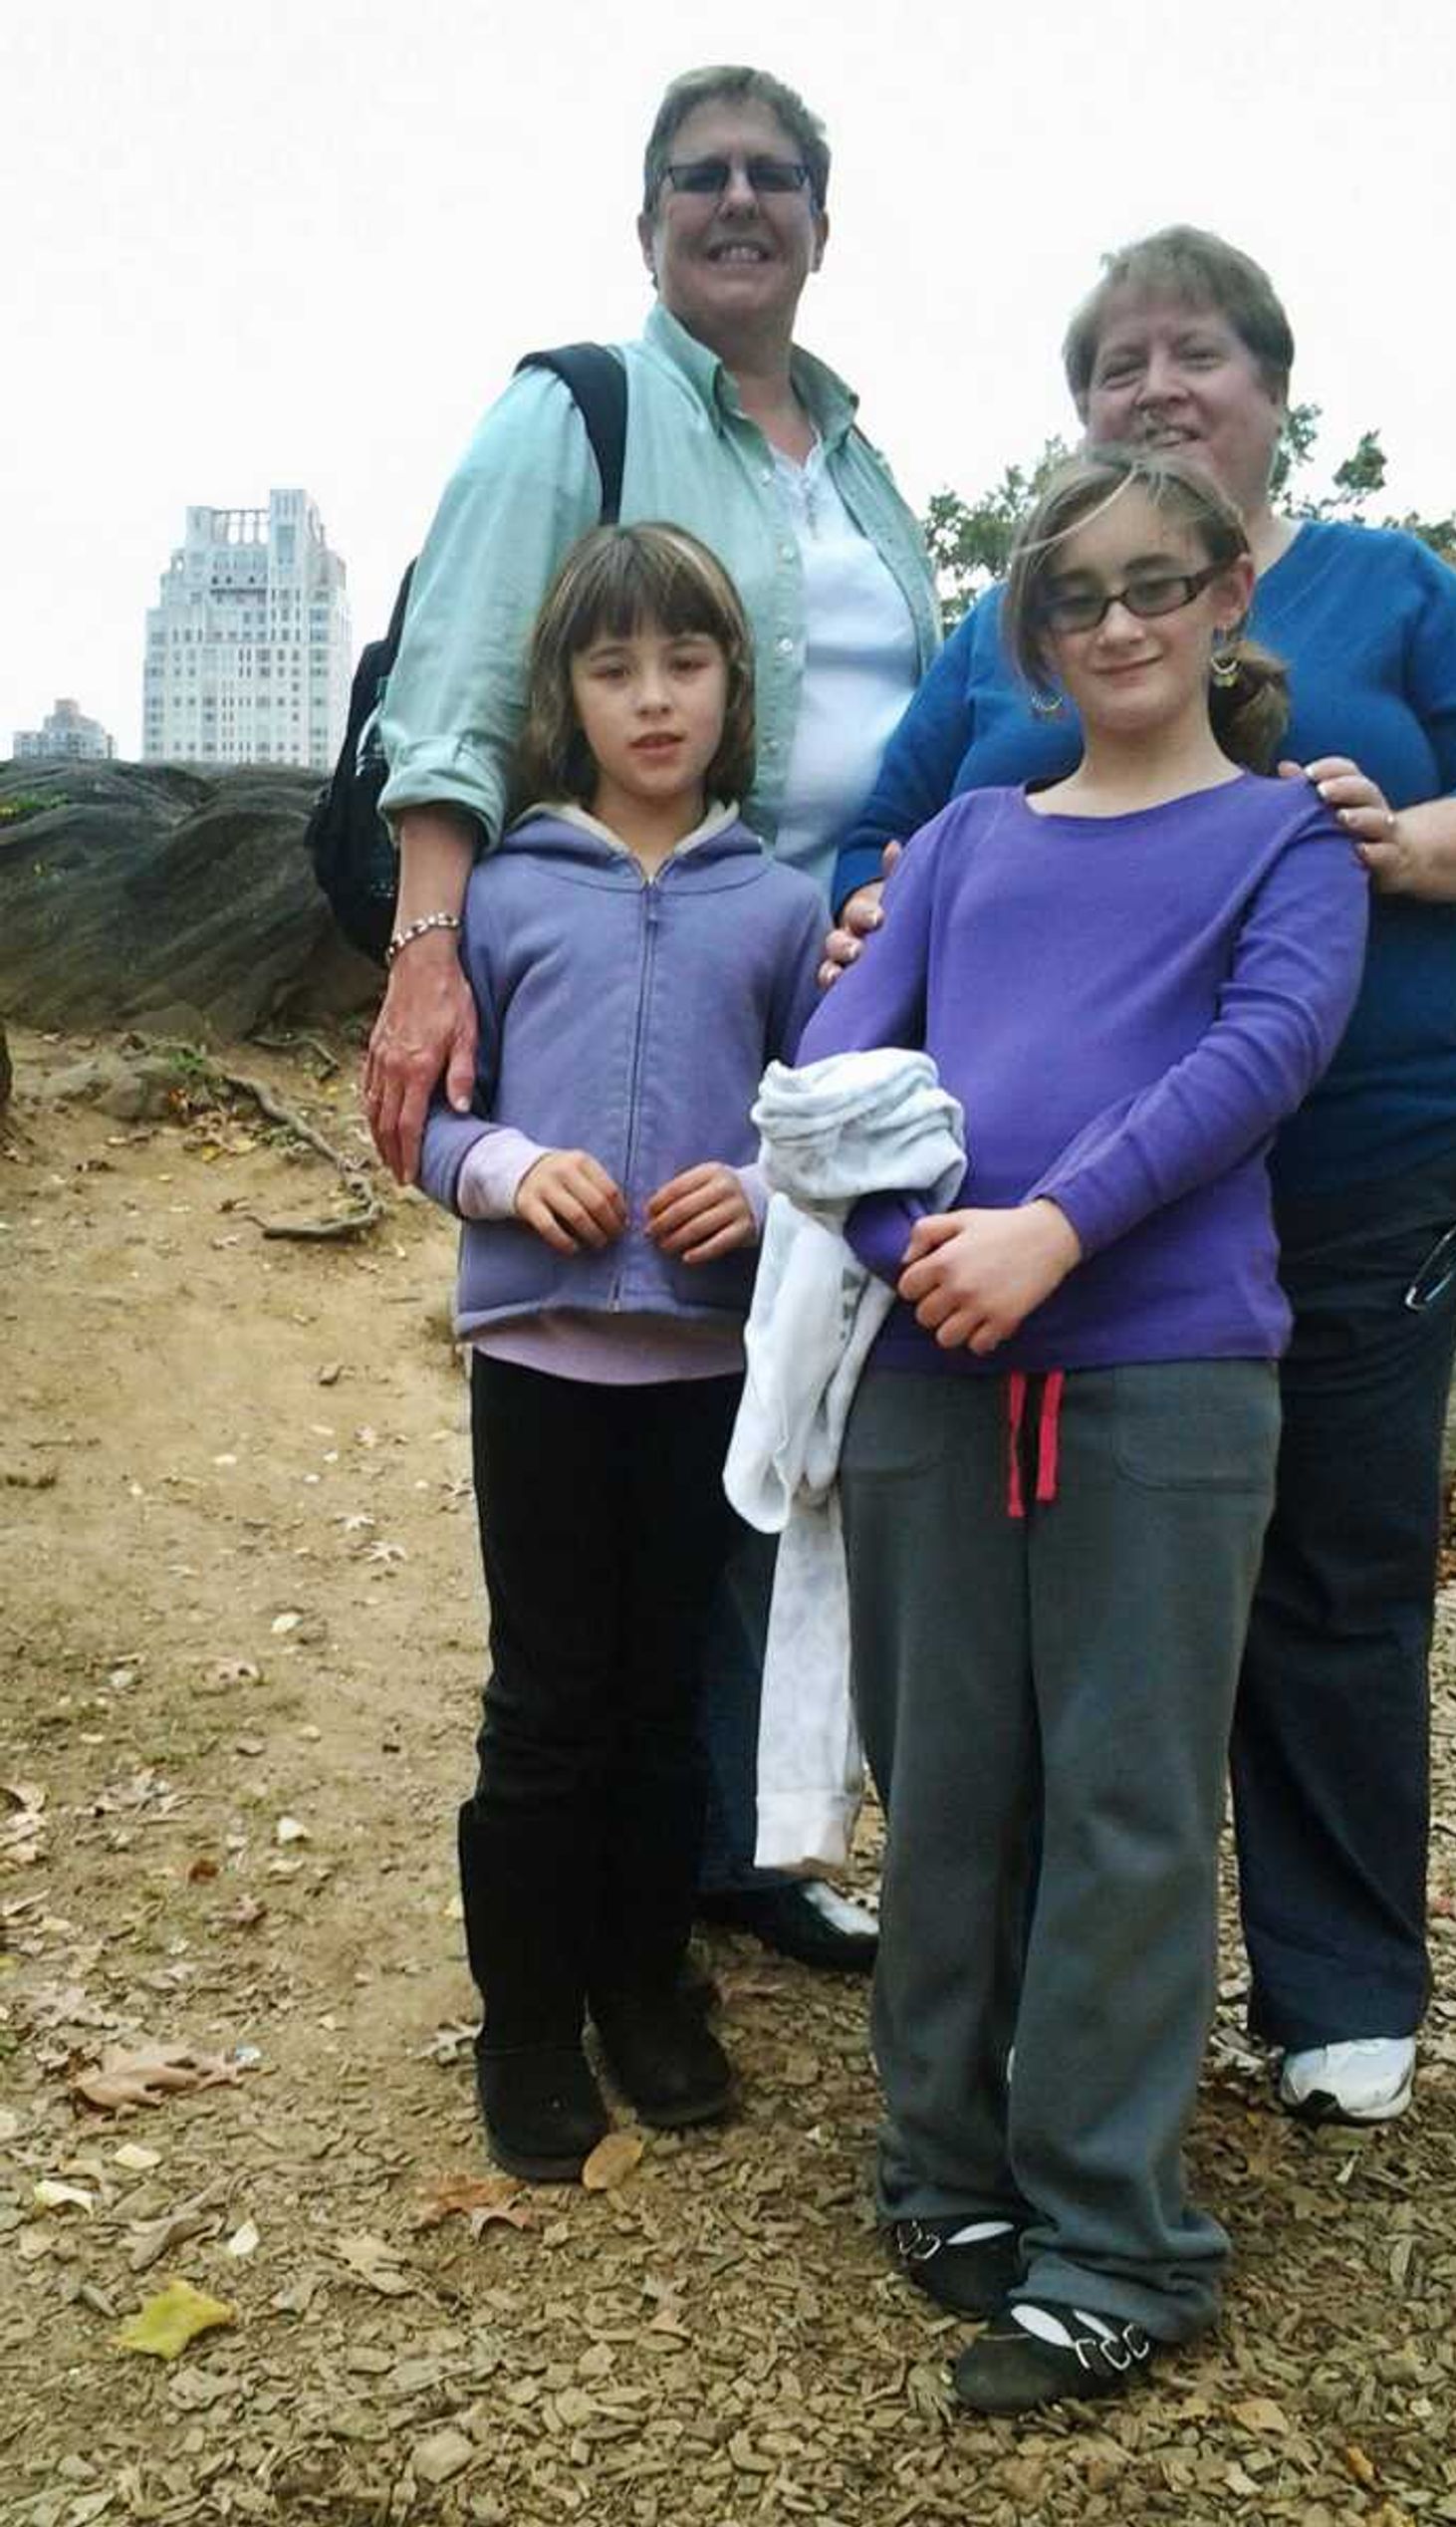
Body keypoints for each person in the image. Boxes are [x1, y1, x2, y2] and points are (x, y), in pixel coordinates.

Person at [825, 228, 1456, 2127]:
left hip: (1354, 1165)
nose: (1162, 385)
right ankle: (1028, 2002)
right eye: (1121, 364)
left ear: (1273, 390)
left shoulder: (1390, 593)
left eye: (1202, 353)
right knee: (1049, 1636)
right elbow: (879, 833)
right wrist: (881, 913)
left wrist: (1405, 844)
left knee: (1332, 1571)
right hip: (1031, 1240)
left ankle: (1333, 1984)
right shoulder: (1006, 644)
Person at [801, 449, 1368, 2412]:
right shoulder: (962, 838)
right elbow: (829, 1065)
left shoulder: (1286, 840)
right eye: (1078, 596)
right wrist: (917, 1245)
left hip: (1165, 1379)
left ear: (1226, 599)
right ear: (1032, 630)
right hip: (930, 1374)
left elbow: (1263, 1055)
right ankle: (940, 2167)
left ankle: (1118, 2238)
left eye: (1157, 584)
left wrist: (1055, 1232)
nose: (1118, 623)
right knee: (943, 1786)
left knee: (1128, 1807)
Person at [367, 64, 939, 1971]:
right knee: (591, 1591)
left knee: (776, 1429)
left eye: (778, 174)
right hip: (589, 955)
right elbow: (454, 672)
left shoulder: (864, 470)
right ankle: (625, 1908)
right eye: (702, 173)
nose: (740, 199)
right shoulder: (578, 411)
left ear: (824, 222)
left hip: (815, 965)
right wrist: (432, 936)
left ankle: (721, 1851)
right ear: (648, 221)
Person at [417, 522, 827, 2177]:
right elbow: (432, 1126)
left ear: (734, 687)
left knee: (668, 1703)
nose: (651, 699)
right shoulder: (502, 893)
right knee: (545, 1703)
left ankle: (646, 1986)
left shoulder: (784, 905)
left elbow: (829, 1126)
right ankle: (522, 2019)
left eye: (685, 662)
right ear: (565, 694)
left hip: (705, 1377)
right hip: (540, 1367)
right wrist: (512, 1169)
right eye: (613, 668)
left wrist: (757, 1184)